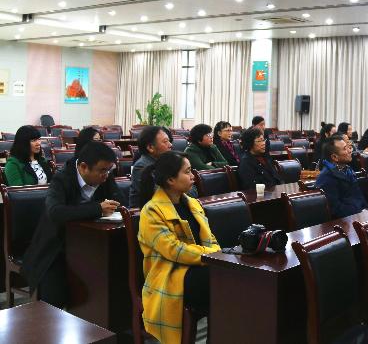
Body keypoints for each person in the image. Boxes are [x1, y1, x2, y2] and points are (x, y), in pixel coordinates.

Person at [21, 142, 122, 308]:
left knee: (112, 279)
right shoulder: (62, 178)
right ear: (83, 167)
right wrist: (97, 209)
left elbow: (120, 203)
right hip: (56, 247)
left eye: (109, 170)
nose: (106, 175)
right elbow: (56, 212)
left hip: (91, 243)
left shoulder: (105, 176)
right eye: (102, 170)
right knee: (54, 298)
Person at [138, 151, 221, 344]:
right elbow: (174, 250)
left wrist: (216, 254)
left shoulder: (192, 203)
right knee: (222, 280)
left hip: (197, 266)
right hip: (169, 273)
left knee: (232, 277)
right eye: (187, 171)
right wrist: (214, 256)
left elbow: (210, 238)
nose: (193, 176)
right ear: (170, 180)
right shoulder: (151, 211)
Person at [315, 135, 368, 218]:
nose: (350, 151)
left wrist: (367, 209)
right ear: (334, 157)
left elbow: (359, 196)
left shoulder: (348, 170)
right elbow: (336, 210)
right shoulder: (326, 178)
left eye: (348, 147)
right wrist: (359, 212)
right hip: (344, 221)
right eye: (345, 149)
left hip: (357, 214)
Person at [129, 126, 173, 208]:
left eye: (169, 141)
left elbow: (193, 190)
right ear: (150, 147)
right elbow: (160, 195)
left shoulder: (169, 162)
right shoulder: (141, 166)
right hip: (145, 212)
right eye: (165, 141)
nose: (170, 145)